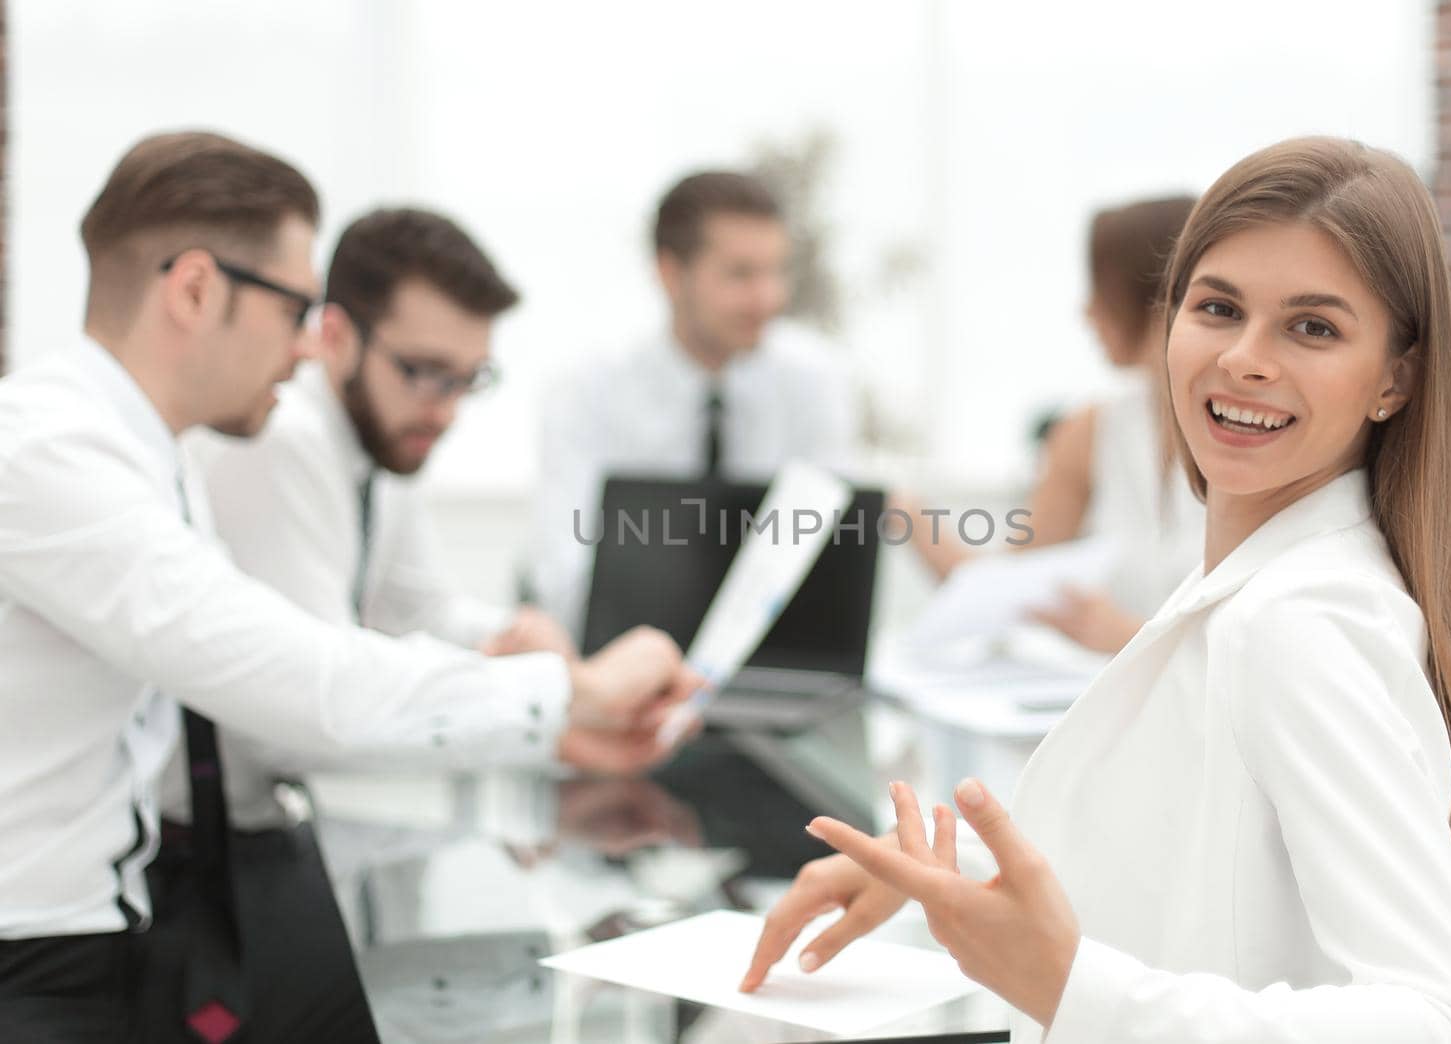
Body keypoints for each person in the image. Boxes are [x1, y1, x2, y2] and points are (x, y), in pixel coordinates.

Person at [742, 137, 1451, 1043]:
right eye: (1218, 307)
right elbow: (1192, 856)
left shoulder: (1293, 625)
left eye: (1313, 327)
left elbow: (1446, 1021)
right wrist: (947, 878)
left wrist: (1075, 989)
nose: (1246, 360)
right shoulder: (1247, 587)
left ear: (1396, 378)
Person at [0, 131, 696, 1042]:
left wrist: (547, 694)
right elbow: (303, 681)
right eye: (295, 309)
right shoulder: (51, 455)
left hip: (98, 928)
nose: (305, 350)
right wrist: (571, 695)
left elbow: (358, 640)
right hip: (37, 956)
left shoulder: (137, 452)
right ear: (197, 290)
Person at [171, 207, 632, 834]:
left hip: (270, 823)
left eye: (467, 380)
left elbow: (416, 611)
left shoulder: (383, 431)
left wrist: (518, 634)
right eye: (423, 372)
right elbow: (306, 719)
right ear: (334, 337)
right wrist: (555, 695)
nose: (445, 412)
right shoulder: (283, 438)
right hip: (202, 844)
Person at [529, 170, 858, 635]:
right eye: (741, 274)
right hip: (626, 652)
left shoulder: (816, 381)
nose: (767, 298)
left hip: (780, 652)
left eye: (776, 271)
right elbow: (561, 570)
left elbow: (833, 559)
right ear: (671, 274)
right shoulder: (586, 390)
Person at [902, 196, 1203, 655]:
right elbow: (1007, 587)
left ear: (1151, 294)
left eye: (1101, 289)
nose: (1087, 312)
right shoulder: (1089, 431)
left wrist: (1122, 635)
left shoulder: (1252, 427)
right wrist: (905, 512)